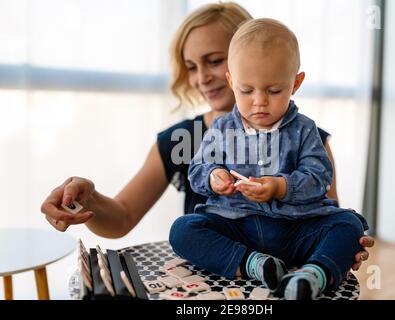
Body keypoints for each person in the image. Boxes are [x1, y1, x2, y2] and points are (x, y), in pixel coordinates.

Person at [40, 2, 373, 270]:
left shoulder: (308, 134)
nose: (202, 78)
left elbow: (322, 213)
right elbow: (122, 218)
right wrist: (87, 199)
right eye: (191, 66)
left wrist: (344, 248)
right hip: (217, 282)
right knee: (184, 229)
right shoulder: (179, 139)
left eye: (213, 61)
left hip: (290, 270)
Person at [169, 18, 369, 300]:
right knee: (182, 230)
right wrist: (214, 177)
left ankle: (313, 275)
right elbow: (199, 169)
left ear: (296, 83)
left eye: (274, 90)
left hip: (295, 229)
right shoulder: (222, 129)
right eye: (246, 90)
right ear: (231, 81)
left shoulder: (305, 129)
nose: (259, 101)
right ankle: (255, 264)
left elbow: (320, 176)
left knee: (350, 225)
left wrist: (280, 187)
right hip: (237, 228)